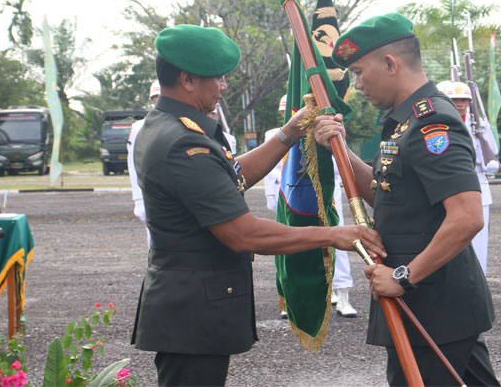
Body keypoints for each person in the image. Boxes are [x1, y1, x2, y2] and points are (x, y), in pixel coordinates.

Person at [130, 24, 384, 387]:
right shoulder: (184, 143)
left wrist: (290, 132)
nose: (223, 86)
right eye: (217, 78)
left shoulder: (166, 126)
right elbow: (243, 234)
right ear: (187, 79)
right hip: (192, 316)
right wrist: (334, 234)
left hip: (187, 308)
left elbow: (230, 177)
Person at [315, 13, 499, 386]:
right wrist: (340, 149)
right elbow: (386, 195)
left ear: (390, 63)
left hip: (432, 304)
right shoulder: (404, 121)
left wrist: (403, 276)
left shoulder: (432, 123)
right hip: (427, 304)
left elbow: (467, 216)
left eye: (359, 73)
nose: (357, 85)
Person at [264, 95, 358, 317]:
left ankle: (342, 295)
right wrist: (272, 197)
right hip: (292, 194)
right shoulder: (276, 134)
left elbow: (338, 167)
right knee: (291, 245)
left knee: (337, 242)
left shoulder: (326, 129)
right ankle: (291, 299)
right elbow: (272, 171)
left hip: (326, 192)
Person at [442, 81, 500, 275]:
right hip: (450, 184)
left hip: (478, 183)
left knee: (479, 240)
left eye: (464, 100)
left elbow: (492, 151)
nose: (460, 104)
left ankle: (479, 277)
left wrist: (490, 160)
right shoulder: (440, 123)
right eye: (455, 100)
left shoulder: (479, 124)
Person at [127, 80, 160, 248]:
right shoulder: (139, 127)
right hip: (150, 191)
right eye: (156, 97)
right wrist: (138, 199)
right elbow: (133, 163)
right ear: (151, 100)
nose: (158, 100)